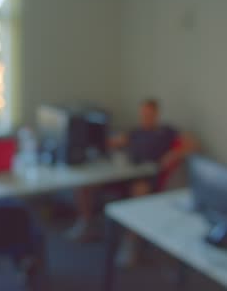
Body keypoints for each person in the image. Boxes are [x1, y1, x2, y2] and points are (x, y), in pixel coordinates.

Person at [67, 99, 198, 267]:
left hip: (146, 177)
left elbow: (193, 145)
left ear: (156, 114)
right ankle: (86, 223)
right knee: (85, 183)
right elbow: (114, 142)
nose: (146, 117)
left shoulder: (166, 132)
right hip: (124, 173)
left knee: (140, 189)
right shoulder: (135, 132)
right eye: (143, 114)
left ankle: (131, 243)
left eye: (149, 114)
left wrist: (174, 153)